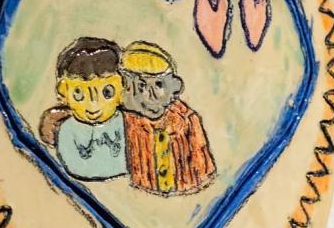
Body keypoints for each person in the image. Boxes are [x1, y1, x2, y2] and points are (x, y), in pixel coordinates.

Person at [119, 41, 215, 194]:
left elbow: (203, 170)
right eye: (141, 86)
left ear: (174, 86)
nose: (150, 95)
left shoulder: (187, 119)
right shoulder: (125, 121)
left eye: (159, 85)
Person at [51, 37, 127, 181]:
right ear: (63, 92)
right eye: (79, 94)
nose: (93, 105)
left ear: (123, 88)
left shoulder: (126, 123)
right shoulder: (68, 129)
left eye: (107, 92)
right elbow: (74, 166)